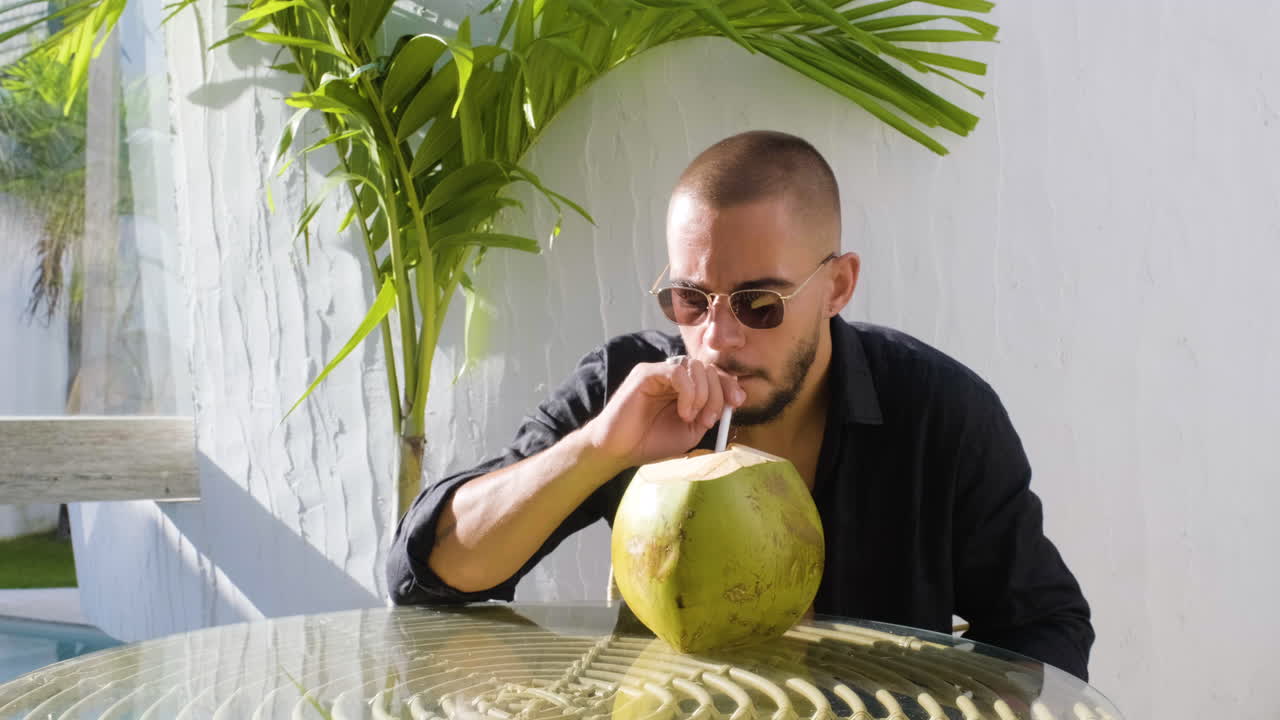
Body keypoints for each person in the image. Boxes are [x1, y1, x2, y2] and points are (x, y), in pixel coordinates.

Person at [387, 130, 1095, 680]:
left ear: (837, 287)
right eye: (690, 299)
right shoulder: (634, 386)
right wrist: (599, 449)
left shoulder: (938, 412)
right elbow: (428, 576)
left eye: (759, 303)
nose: (717, 338)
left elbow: (1042, 625)